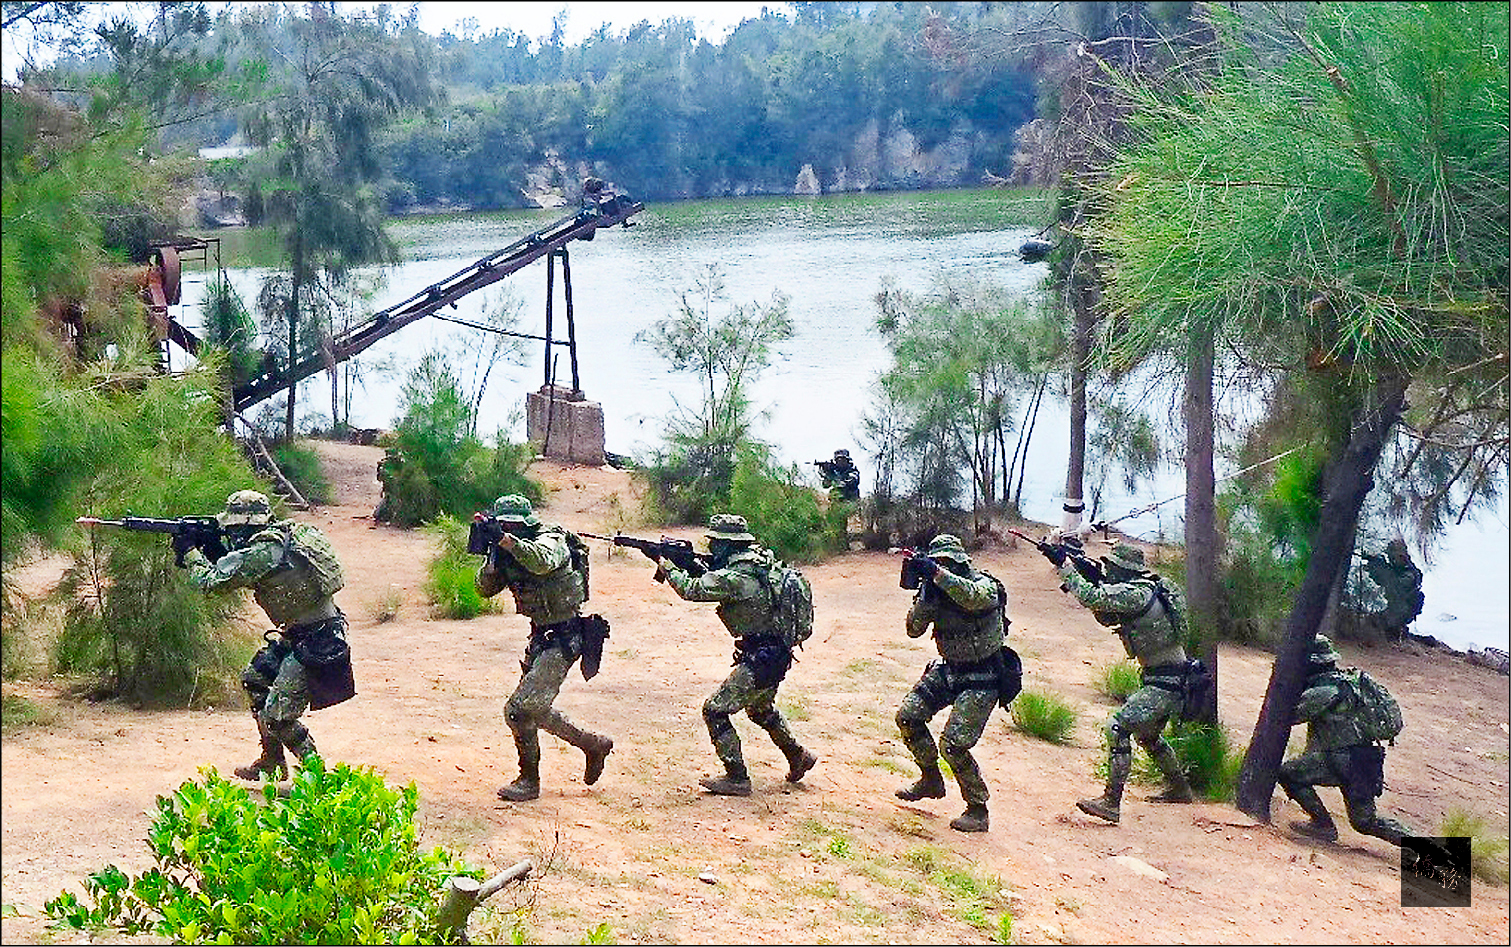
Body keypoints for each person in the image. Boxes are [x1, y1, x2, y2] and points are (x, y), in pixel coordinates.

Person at [182, 490, 354, 781]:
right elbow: (243, 566)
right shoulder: (286, 536)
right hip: (308, 632)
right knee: (256, 679)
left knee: (278, 716)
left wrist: (189, 551)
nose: (232, 533)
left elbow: (210, 583)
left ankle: (317, 777)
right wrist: (214, 549)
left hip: (316, 640)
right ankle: (272, 762)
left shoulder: (265, 551)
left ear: (247, 526)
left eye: (234, 528)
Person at [655, 513, 818, 796]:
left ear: (728, 544)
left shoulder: (737, 576)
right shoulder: (758, 562)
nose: (712, 546)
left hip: (762, 658)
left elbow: (692, 589)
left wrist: (666, 564)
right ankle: (798, 755)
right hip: (775, 652)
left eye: (716, 542)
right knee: (760, 710)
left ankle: (737, 777)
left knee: (715, 710)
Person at [475, 495, 614, 802]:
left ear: (527, 523)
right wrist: (493, 554)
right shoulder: (509, 549)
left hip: (566, 636)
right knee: (527, 711)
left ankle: (529, 780)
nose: (509, 530)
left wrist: (506, 542)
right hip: (541, 637)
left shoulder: (550, 538)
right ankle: (592, 745)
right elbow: (483, 589)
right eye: (504, 525)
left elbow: (543, 561)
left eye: (514, 525)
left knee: (520, 708)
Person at [1046, 541, 1195, 824]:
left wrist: (1065, 566)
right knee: (1148, 736)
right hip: (1165, 677)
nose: (1109, 571)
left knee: (1117, 727)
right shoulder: (1145, 589)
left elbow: (1092, 597)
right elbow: (1106, 616)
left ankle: (1111, 802)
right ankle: (1180, 789)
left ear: (1125, 569)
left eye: (1112, 567)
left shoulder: (1136, 593)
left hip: (1166, 681)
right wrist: (1088, 575)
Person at [895, 534, 1013, 833]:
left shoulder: (984, 584)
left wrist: (937, 574)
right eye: (939, 563)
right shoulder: (935, 588)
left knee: (954, 745)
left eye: (948, 563)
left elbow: (974, 597)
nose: (944, 567)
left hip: (984, 676)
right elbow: (913, 630)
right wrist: (926, 596)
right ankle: (930, 779)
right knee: (908, 716)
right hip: (949, 670)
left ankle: (978, 808)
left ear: (961, 562)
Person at [1279, 634, 1412, 845]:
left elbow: (1288, 717)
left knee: (1288, 773)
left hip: (1338, 760)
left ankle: (1322, 825)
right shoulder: (1347, 683)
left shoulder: (1324, 690)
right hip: (1363, 761)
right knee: (1365, 822)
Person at [1359, 538, 1425, 641]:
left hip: (1399, 612)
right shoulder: (1398, 569)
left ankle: (1395, 631)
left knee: (1369, 624)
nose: (1391, 560)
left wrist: (1380, 569)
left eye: (1393, 557)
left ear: (1402, 556)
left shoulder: (1410, 575)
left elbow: (1393, 586)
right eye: (1390, 557)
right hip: (1394, 610)